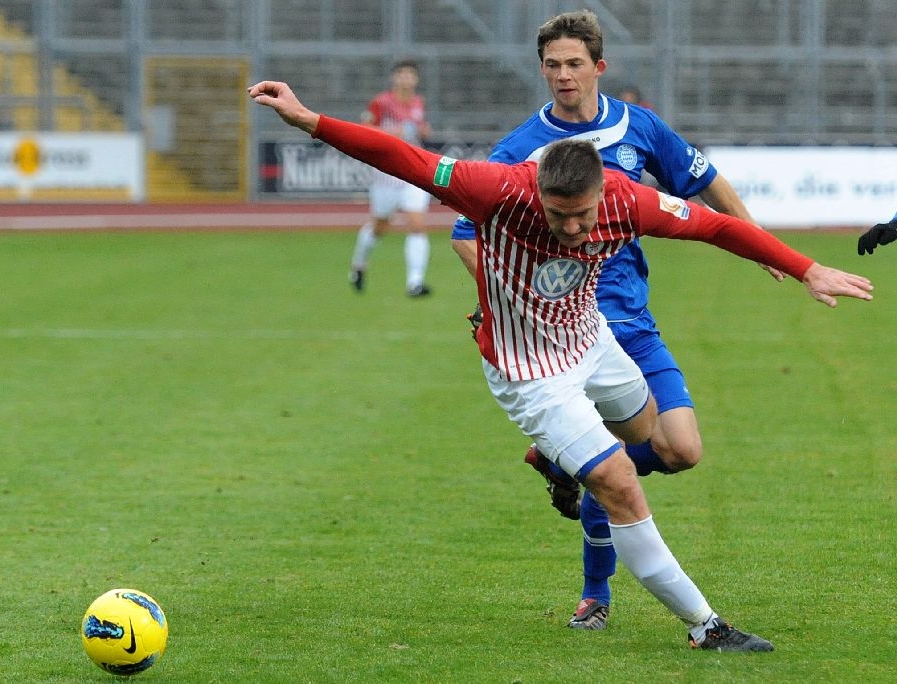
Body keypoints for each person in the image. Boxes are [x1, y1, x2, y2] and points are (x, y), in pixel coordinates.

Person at [248, 77, 873, 650]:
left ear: (604, 192)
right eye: (558, 214)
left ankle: (558, 460)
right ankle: (705, 626)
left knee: (649, 438)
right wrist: (308, 119)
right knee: (618, 481)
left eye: (584, 214)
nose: (573, 228)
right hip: (529, 372)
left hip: (594, 341)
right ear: (537, 192)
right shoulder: (493, 188)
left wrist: (806, 268)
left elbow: (714, 226)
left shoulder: (630, 200)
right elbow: (400, 158)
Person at [450, 9, 783, 631]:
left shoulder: (640, 127)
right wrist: (500, 295)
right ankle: (596, 596)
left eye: (575, 64)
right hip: (568, 335)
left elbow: (705, 183)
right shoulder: (522, 148)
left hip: (633, 317)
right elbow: (467, 233)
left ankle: (558, 464)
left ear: (599, 67)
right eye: (552, 65)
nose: (563, 76)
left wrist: (758, 243)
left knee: (680, 450)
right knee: (613, 467)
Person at [349, 59, 434, 297]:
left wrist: (424, 130)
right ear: (394, 78)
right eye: (402, 74)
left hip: (413, 172)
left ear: (416, 79)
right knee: (379, 226)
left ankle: (415, 282)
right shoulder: (381, 103)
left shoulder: (419, 103)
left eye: (410, 75)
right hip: (386, 175)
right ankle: (358, 264)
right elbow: (364, 129)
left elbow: (419, 130)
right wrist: (390, 132)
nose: (406, 79)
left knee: (417, 224)